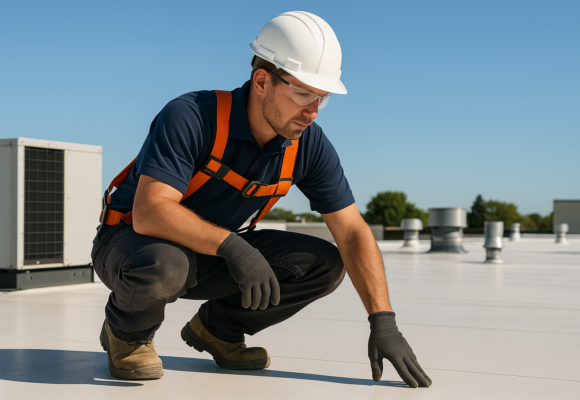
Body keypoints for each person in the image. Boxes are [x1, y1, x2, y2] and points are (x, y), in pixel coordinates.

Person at [92, 11, 432, 388]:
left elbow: (351, 231)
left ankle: (218, 330)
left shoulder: (307, 143)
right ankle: (127, 335)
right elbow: (150, 210)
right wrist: (234, 247)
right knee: (166, 264)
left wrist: (383, 320)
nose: (313, 110)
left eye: (322, 98)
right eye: (303, 93)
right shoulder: (193, 116)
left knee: (323, 263)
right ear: (261, 81)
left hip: (210, 255)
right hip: (131, 248)